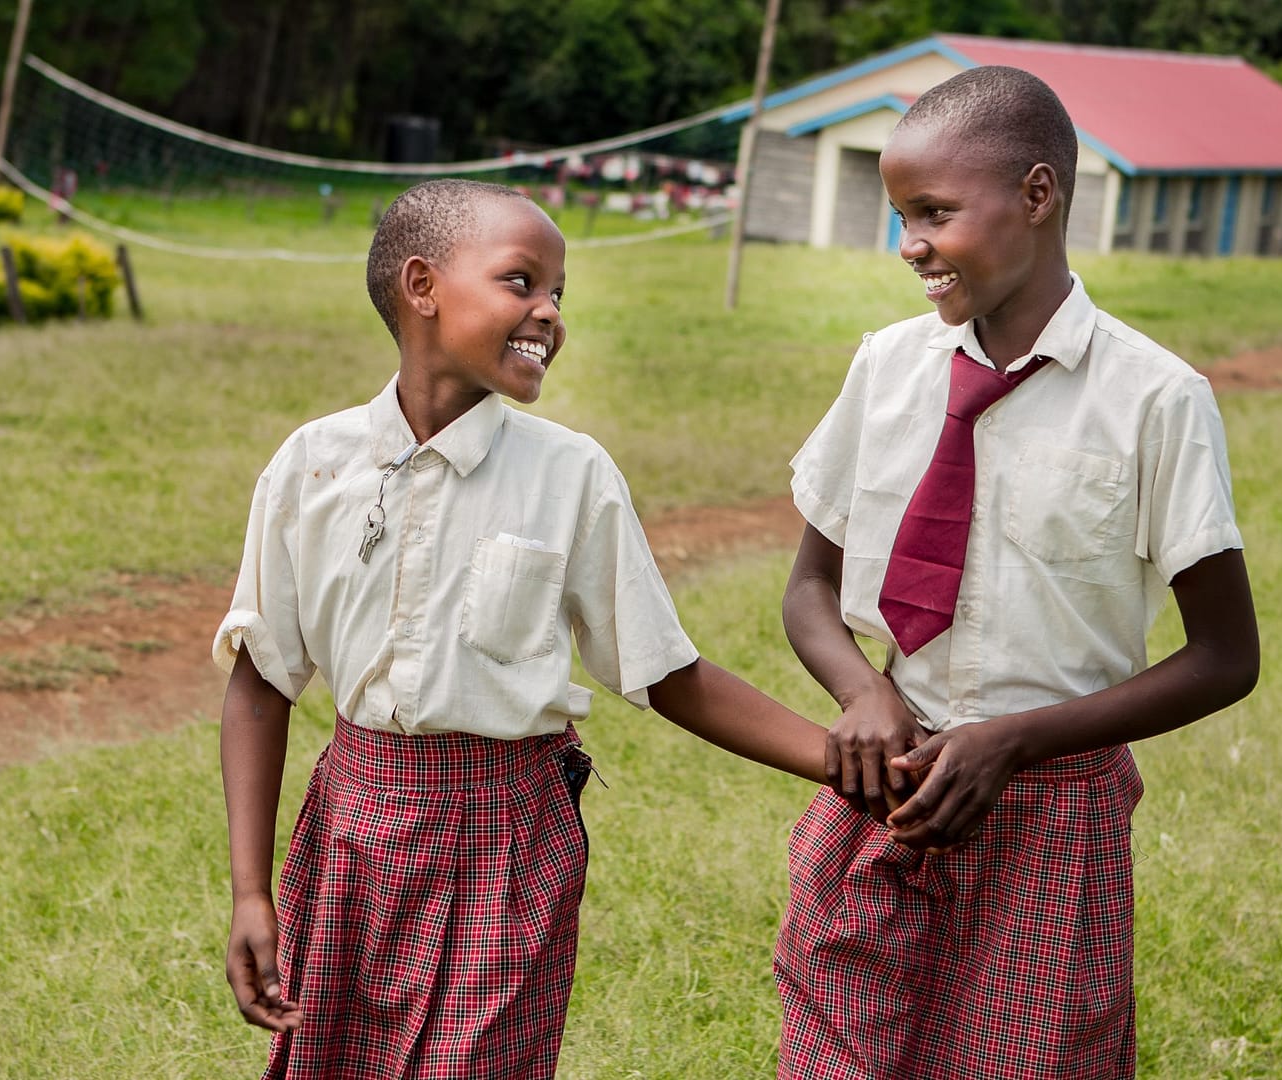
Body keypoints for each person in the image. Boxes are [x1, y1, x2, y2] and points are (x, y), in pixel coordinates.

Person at [215, 178, 829, 1080]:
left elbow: (666, 673)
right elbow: (262, 682)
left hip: (511, 843)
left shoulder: (571, 474)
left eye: (559, 294)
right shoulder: (314, 465)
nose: (549, 313)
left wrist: (841, 764)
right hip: (352, 835)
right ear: (422, 286)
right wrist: (248, 892)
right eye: (521, 282)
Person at [774, 66, 1260, 1079]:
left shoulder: (1155, 400)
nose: (909, 243)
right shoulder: (888, 366)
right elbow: (809, 587)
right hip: (884, 790)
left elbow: (1224, 657)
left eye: (934, 212)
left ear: (1037, 197)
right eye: (901, 215)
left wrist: (1012, 741)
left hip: (1050, 814)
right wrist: (862, 693)